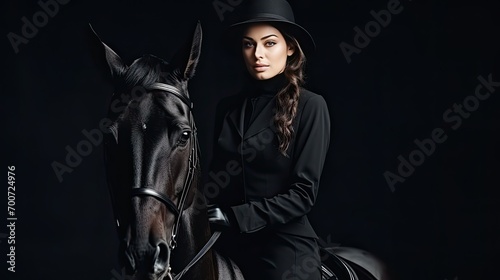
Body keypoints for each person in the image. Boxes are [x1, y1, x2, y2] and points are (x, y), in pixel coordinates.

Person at [205, 0, 331, 279]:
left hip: (283, 245)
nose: (257, 54)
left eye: (269, 43)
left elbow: (303, 195)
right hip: (226, 242)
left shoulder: (312, 106)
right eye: (249, 44)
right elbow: (215, 180)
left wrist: (235, 216)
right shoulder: (227, 108)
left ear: (290, 48)